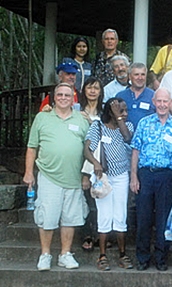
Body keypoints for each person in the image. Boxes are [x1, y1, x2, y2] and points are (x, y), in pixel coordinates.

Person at [23, 83, 89, 271]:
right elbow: (32, 146)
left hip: (74, 177)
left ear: (73, 98)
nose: (63, 97)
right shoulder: (42, 117)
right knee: (47, 217)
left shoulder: (82, 119)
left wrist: (86, 175)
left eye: (67, 95)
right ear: (54, 97)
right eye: (59, 94)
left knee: (70, 218)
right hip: (48, 175)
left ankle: (65, 254)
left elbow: (89, 150)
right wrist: (28, 172)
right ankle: (45, 254)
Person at [130, 88, 172, 271]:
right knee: (143, 217)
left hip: (167, 176)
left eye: (165, 101)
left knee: (164, 219)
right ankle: (143, 258)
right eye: (159, 101)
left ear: (170, 103)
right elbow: (135, 151)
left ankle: (161, 258)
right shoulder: (144, 123)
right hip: (146, 174)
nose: (162, 105)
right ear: (154, 102)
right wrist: (134, 177)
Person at [84, 97, 134, 271]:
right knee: (104, 215)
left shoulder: (126, 127)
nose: (125, 113)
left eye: (125, 110)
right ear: (110, 111)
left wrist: (119, 118)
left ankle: (122, 254)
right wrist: (96, 163)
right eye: (121, 110)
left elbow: (128, 138)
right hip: (103, 177)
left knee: (120, 215)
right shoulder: (98, 126)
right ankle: (102, 256)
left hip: (121, 176)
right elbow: (87, 149)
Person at [78, 77, 105, 251]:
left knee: (100, 199)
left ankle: (101, 234)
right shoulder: (77, 110)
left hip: (99, 161)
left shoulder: (104, 112)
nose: (93, 91)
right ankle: (86, 233)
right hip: (79, 157)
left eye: (96, 88)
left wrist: (92, 123)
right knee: (84, 199)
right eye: (89, 87)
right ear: (84, 90)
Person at [116, 62, 156, 128]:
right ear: (129, 76)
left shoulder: (154, 96)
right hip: (124, 135)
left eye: (143, 74)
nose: (140, 78)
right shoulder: (120, 96)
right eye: (136, 74)